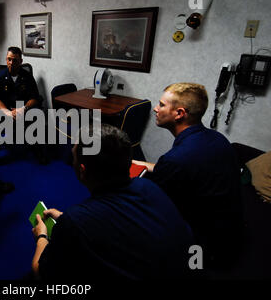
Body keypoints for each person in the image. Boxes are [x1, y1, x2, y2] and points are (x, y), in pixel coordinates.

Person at [31, 124, 195, 280]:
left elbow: (40, 271)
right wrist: (64, 218)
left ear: (82, 171)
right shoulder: (147, 185)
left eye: (73, 157)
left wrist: (42, 236)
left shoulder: (75, 221)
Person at [133, 82, 243, 268]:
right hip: (229, 230)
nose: (155, 109)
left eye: (161, 105)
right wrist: (144, 164)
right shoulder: (217, 139)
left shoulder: (177, 159)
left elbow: (152, 204)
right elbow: (189, 169)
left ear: (179, 113)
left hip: (203, 244)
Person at [0, 46, 48, 164]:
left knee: (37, 115)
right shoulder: (0, 76)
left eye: (15, 60)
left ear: (21, 61)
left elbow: (35, 97)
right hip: (7, 109)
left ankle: (40, 153)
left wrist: (23, 109)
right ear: (6, 59)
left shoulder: (27, 76)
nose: (11, 63)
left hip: (23, 109)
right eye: (9, 59)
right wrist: (7, 112)